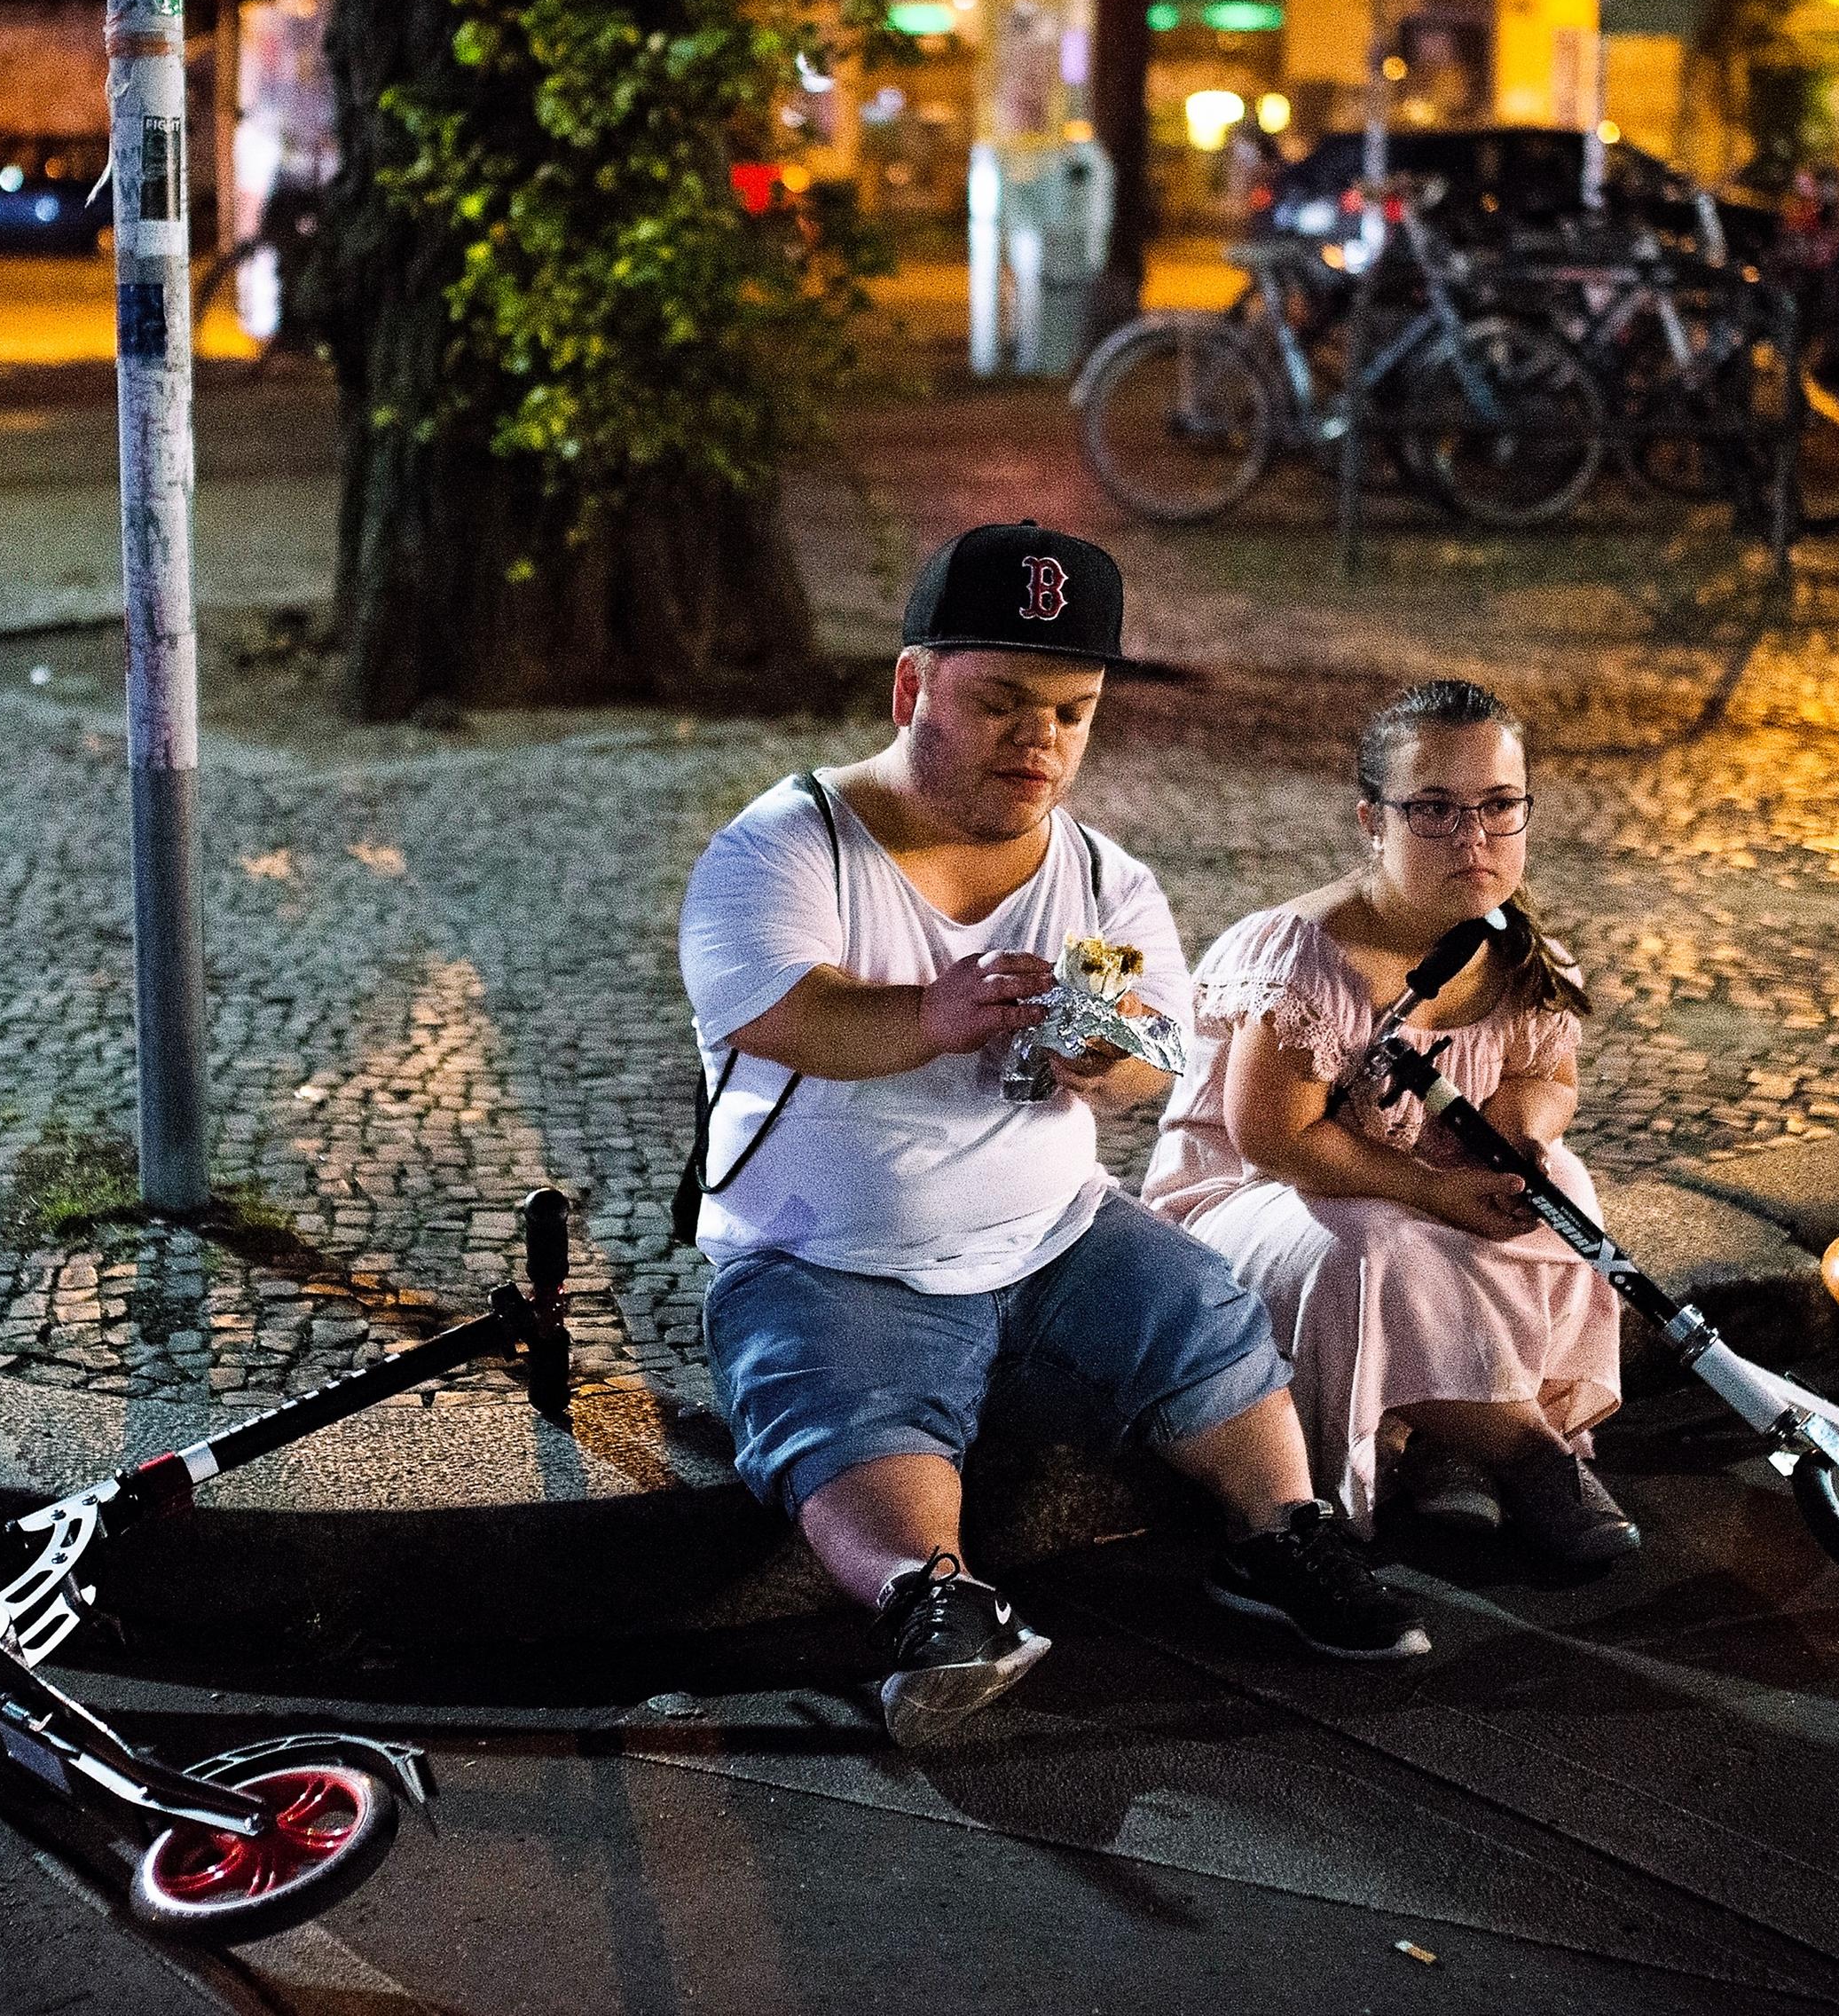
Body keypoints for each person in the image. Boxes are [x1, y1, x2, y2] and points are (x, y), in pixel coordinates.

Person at [680, 522, 1428, 1747]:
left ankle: (1283, 1534)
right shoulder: (786, 843)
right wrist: (933, 1013)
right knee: (839, 1404)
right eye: (1002, 703)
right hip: (832, 1251)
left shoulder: (1101, 873)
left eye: (1073, 712)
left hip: (1054, 1231)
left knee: (1200, 1307)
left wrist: (1105, 1057)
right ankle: (932, 1603)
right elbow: (779, 1015)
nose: (1042, 742)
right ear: (912, 685)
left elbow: (1151, 1050)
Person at [1142, 679, 1635, 1563]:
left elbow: (1544, 1073)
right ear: (1373, 820)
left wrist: (1520, 1133)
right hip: (1262, 1201)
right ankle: (1527, 1454)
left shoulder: (1517, 949)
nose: (1474, 838)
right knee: (1374, 1243)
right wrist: (1435, 1188)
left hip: (1417, 1185)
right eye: (1435, 810)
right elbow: (1273, 1137)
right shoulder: (1310, 953)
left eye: (1497, 806)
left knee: (1562, 1186)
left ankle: (1443, 1445)